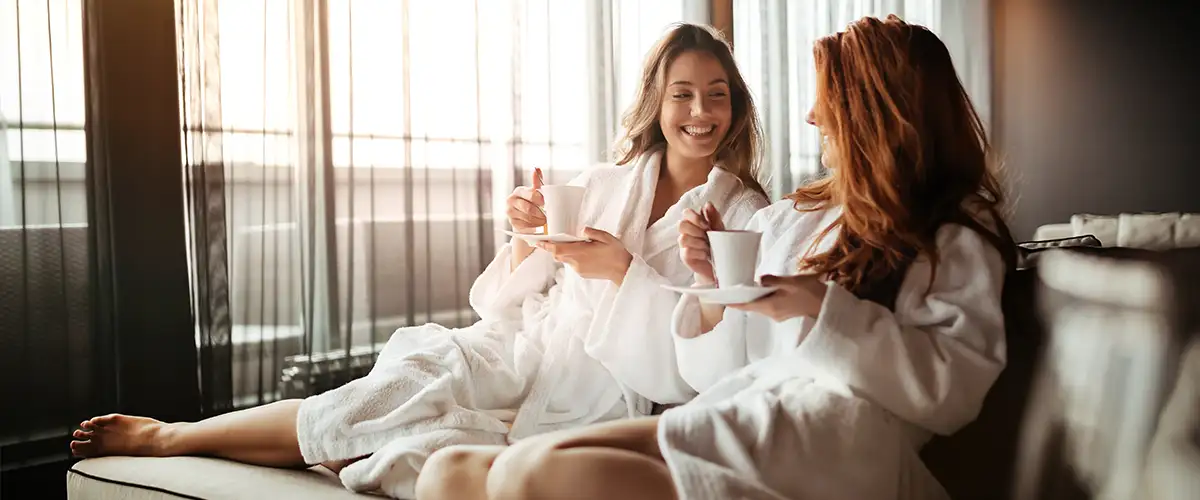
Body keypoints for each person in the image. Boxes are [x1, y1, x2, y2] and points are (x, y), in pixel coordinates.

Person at [69, 23, 770, 499]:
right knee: (399, 385)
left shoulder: (744, 214)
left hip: (605, 395)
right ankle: (171, 436)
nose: (700, 112)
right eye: (682, 94)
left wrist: (621, 272)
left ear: (735, 106)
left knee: (422, 451)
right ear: (657, 102)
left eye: (717, 95)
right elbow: (508, 297)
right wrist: (525, 235)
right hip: (519, 350)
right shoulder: (604, 182)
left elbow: (708, 363)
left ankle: (203, 438)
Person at [419, 14, 1018, 500]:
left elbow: (953, 391)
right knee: (449, 474)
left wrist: (823, 309)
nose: (812, 116)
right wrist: (711, 289)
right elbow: (714, 373)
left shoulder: (951, 230)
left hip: (833, 438)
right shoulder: (792, 217)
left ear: (878, 108)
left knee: (530, 476)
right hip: (743, 410)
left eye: (828, 100)